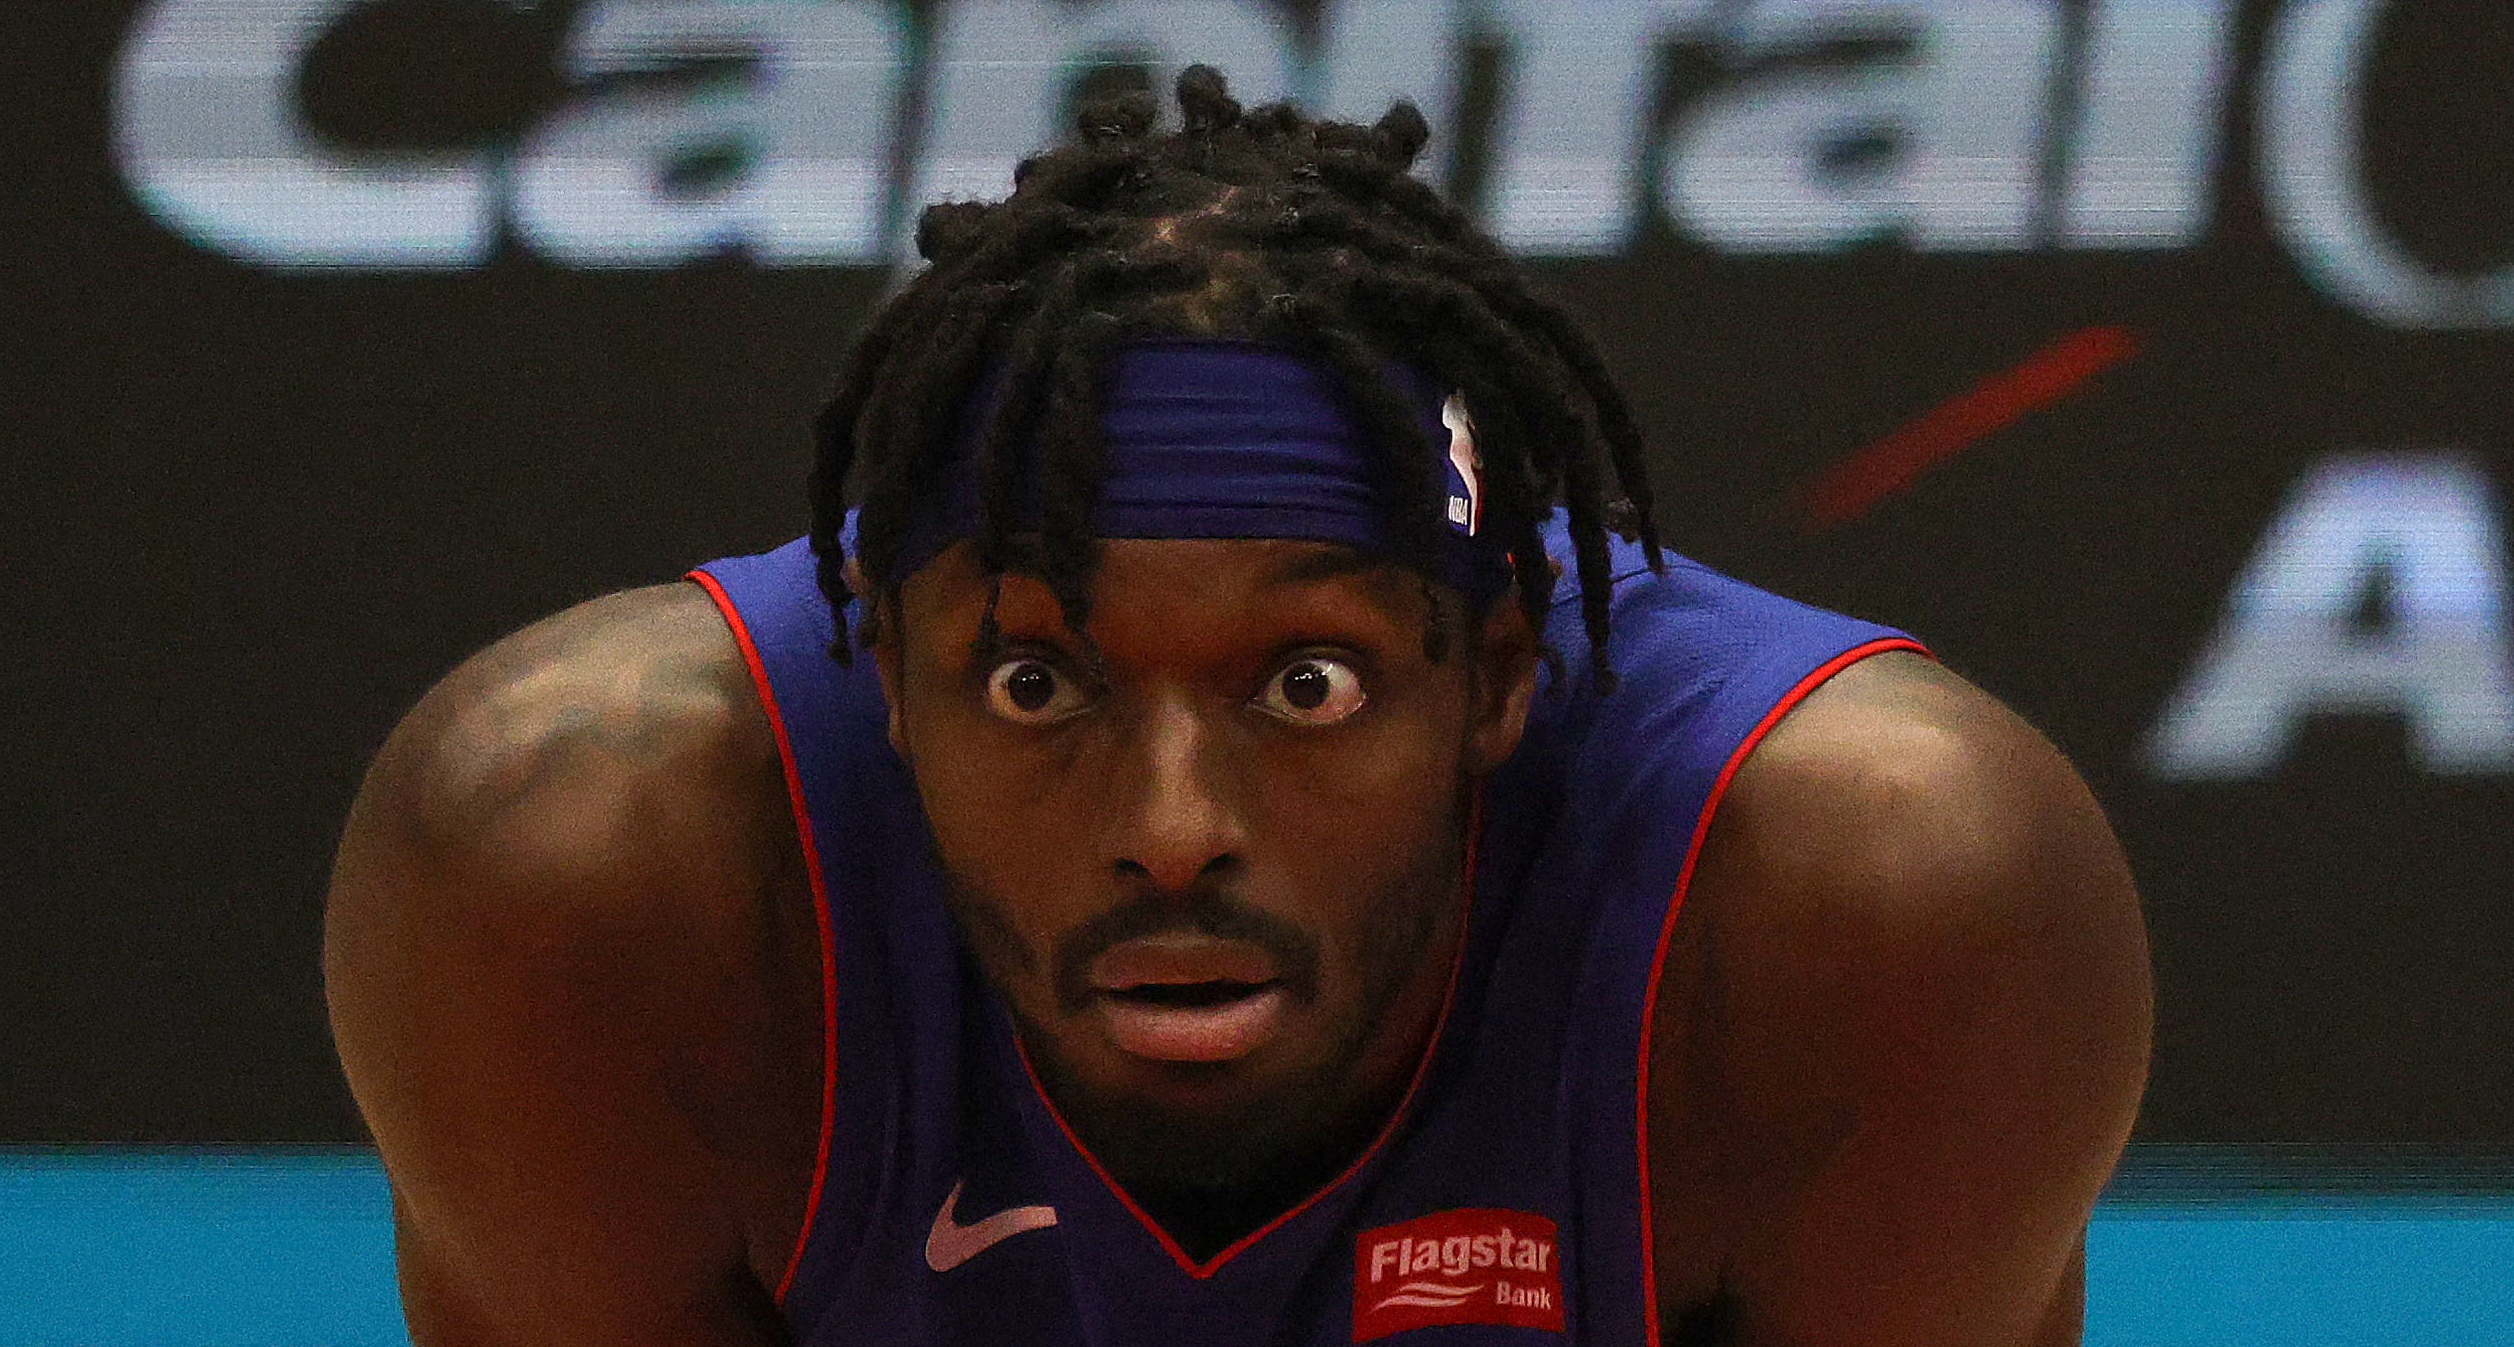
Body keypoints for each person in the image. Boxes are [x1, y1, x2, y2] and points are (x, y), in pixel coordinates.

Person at [324, 67, 2150, 1347]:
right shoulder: (572, 874)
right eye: (1036, 681)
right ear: (877, 667)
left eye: (1307, 682)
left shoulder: (1876, 897)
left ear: (1499, 673)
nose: (1176, 820)